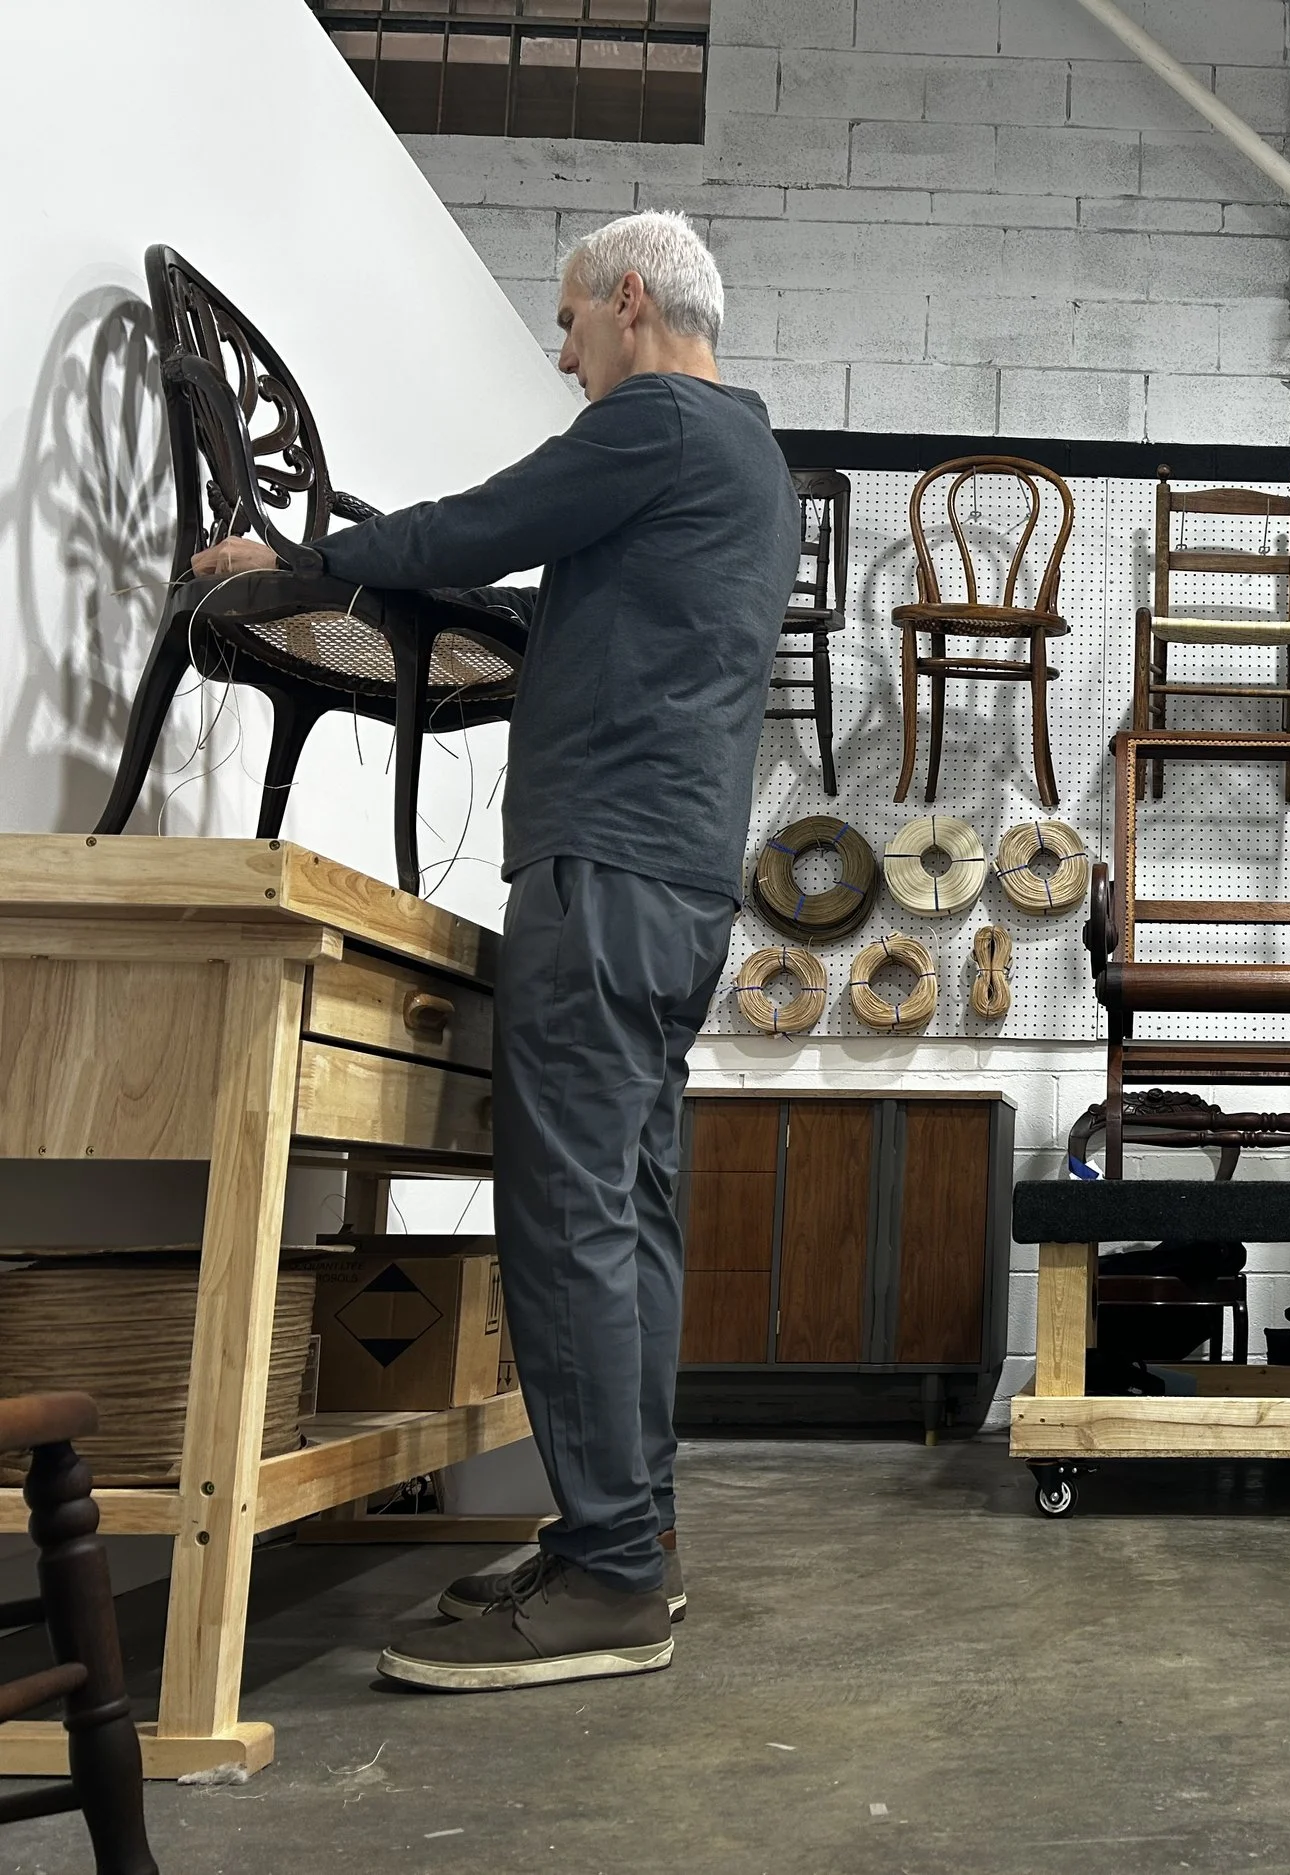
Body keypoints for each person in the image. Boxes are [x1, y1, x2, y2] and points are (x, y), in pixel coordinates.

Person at [192, 211, 801, 1687]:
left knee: (568, 1209)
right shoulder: (746, 461)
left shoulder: (658, 414)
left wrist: (300, 553)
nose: (562, 346)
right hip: (670, 880)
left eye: (570, 320)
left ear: (632, 300)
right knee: (629, 1210)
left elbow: (479, 521)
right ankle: (626, 1537)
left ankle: (606, 1569)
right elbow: (577, 600)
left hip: (605, 867)